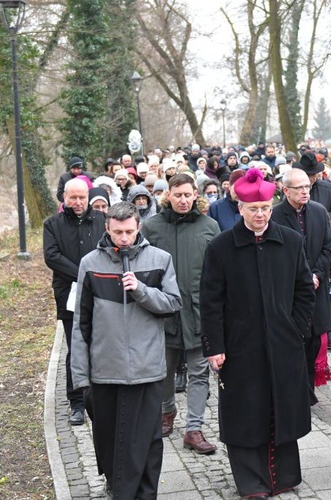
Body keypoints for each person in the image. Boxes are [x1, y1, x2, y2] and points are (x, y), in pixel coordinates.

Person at [200, 168, 315, 499]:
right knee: (246, 412)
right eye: (254, 209)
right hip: (240, 345)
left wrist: (295, 327)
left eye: (265, 207)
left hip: (283, 342)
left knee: (281, 407)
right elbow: (210, 301)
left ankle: (284, 476)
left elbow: (304, 288)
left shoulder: (291, 241)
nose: (261, 214)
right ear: (240, 208)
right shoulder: (221, 247)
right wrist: (215, 345)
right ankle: (252, 482)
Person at [71, 202, 182, 499]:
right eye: (118, 231)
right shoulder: (90, 263)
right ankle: (116, 487)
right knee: (109, 441)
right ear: (107, 228)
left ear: (138, 228)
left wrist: (141, 291)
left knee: (147, 442)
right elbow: (80, 324)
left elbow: (173, 304)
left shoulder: (161, 259)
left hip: (148, 371)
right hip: (105, 371)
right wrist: (80, 377)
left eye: (129, 232)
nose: (124, 238)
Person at [141, 174, 221, 452]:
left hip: (200, 312)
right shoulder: (152, 227)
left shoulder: (209, 226)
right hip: (163, 312)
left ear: (195, 195)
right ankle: (167, 411)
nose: (183, 200)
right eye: (178, 195)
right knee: (163, 371)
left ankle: (194, 428)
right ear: (168, 196)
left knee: (200, 373)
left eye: (188, 195)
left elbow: (220, 271)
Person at [43, 178, 105, 425]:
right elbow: (52, 256)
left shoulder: (102, 220)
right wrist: (83, 272)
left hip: (101, 291)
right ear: (64, 198)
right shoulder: (52, 224)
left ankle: (100, 396)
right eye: (73, 198)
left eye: (82, 198)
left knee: (101, 344)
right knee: (75, 346)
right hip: (68, 293)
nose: (78, 202)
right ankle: (77, 402)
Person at [271, 168, 331, 403]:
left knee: (314, 340)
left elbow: (329, 248)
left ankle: (308, 390)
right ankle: (294, 389)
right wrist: (303, 277)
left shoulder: (319, 212)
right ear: (285, 190)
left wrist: (316, 274)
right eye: (299, 188)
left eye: (307, 186)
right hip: (290, 289)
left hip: (317, 288)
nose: (305, 191)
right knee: (295, 338)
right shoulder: (275, 216)